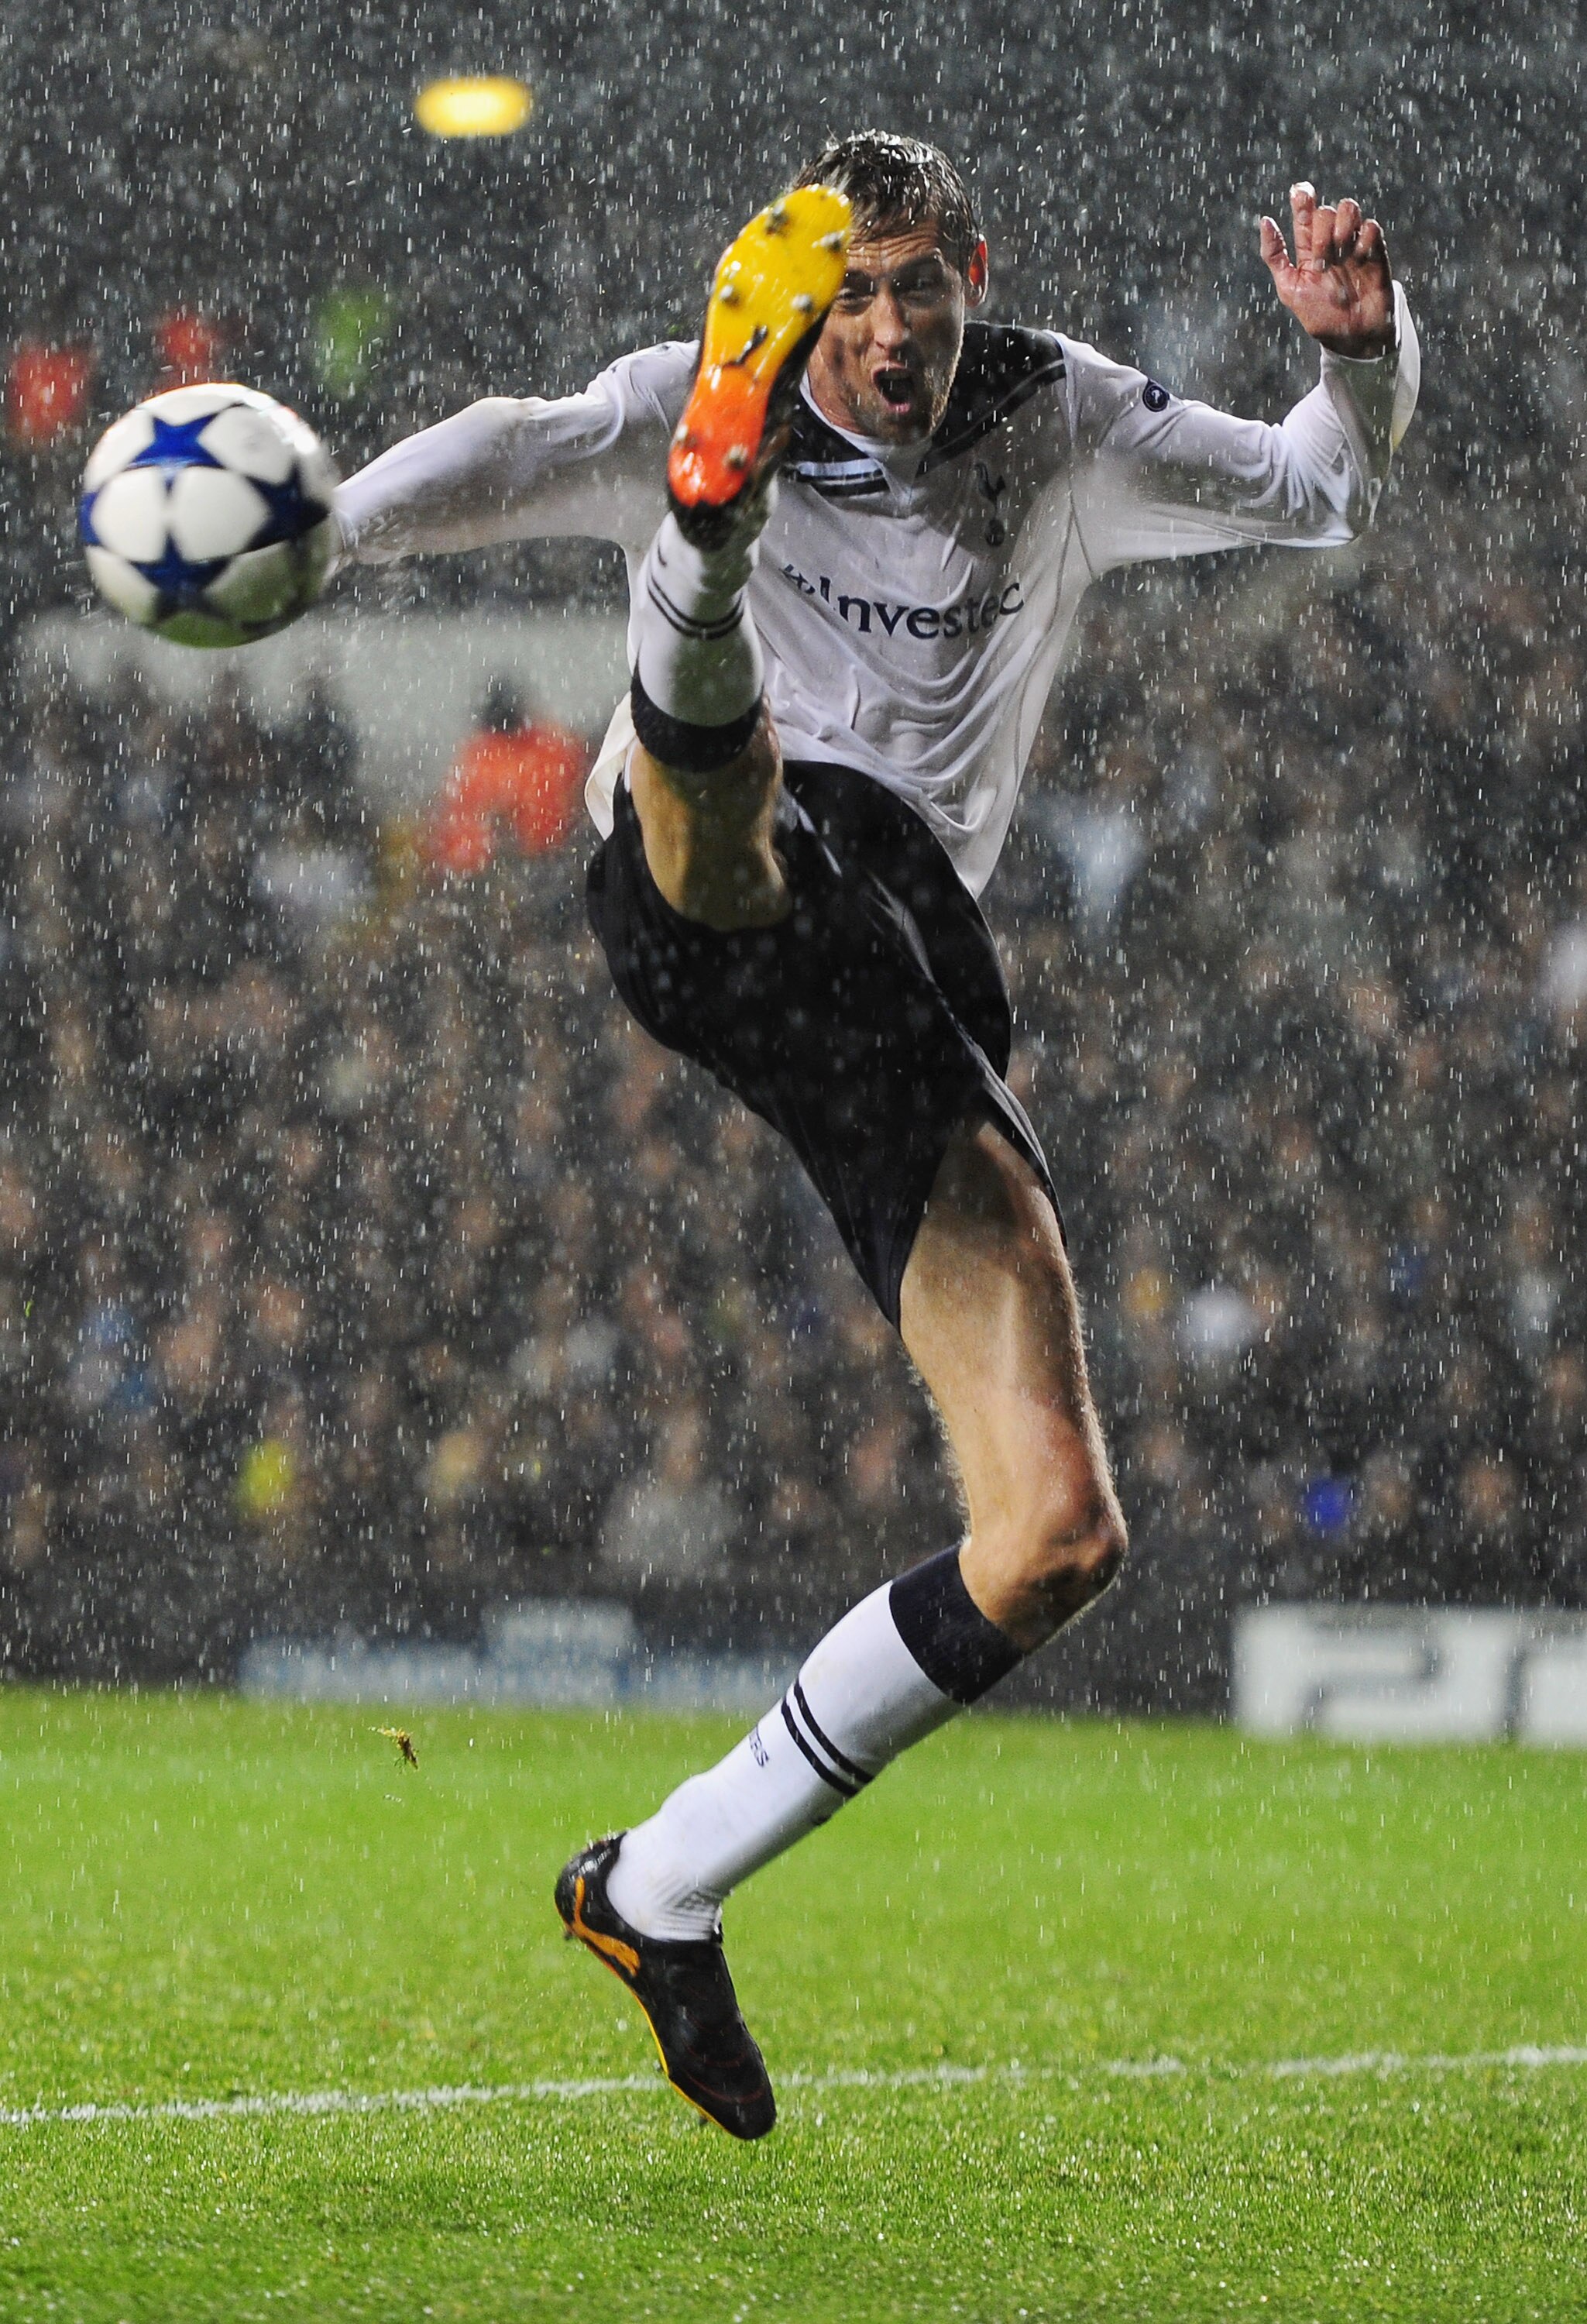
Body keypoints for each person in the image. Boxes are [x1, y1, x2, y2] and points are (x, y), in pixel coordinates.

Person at [332, 132, 1419, 2139]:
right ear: (797, 304)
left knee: (1054, 1534)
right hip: (705, 876)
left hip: (894, 980)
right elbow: (505, 445)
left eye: (923, 283)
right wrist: (320, 534)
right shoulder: (687, 384)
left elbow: (1322, 488)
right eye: (855, 291)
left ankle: (656, 1881)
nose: (897, 324)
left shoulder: (1052, 414)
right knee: (747, 806)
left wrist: (1358, 358)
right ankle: (707, 562)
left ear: (972, 278)